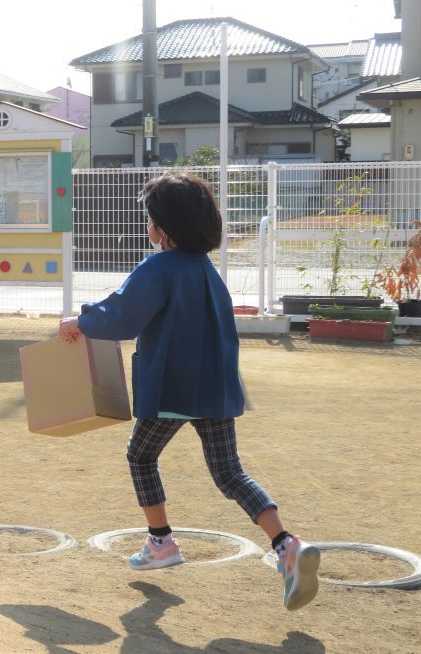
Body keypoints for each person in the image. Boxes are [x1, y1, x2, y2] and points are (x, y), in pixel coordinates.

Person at [58, 171, 319, 611]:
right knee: (229, 472)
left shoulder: (158, 267)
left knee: (140, 456)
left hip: (173, 388)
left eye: (150, 218)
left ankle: (161, 542)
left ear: (162, 227)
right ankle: (286, 544)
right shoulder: (205, 270)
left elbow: (122, 315)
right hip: (214, 387)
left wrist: (78, 322)